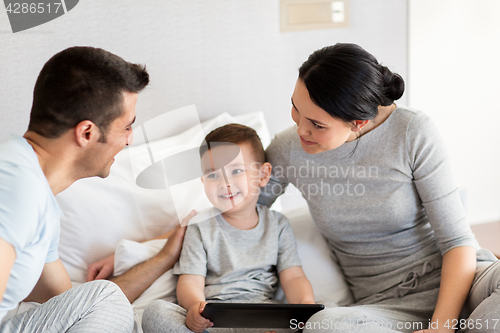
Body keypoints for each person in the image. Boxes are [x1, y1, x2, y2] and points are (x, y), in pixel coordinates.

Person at [257, 43, 500, 333]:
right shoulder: (288, 149)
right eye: (295, 109)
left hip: (465, 283)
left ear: (358, 122)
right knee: (322, 326)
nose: (300, 130)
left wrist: (442, 328)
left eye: (317, 125)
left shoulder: (412, 132)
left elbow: (457, 241)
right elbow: (242, 212)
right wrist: (190, 235)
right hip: (387, 308)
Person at [0, 46, 167, 333]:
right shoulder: (15, 186)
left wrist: (166, 255)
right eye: (126, 128)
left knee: (105, 297)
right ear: (87, 133)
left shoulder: (38, 195)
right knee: (106, 296)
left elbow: (67, 301)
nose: (128, 141)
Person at [141, 124, 316, 333]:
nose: (225, 183)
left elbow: (293, 277)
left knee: (328, 314)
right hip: (215, 319)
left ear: (262, 175)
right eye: (213, 175)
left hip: (262, 318)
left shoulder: (277, 225)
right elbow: (190, 281)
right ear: (203, 180)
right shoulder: (200, 227)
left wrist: (307, 309)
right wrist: (196, 308)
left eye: (236, 171)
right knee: (156, 312)